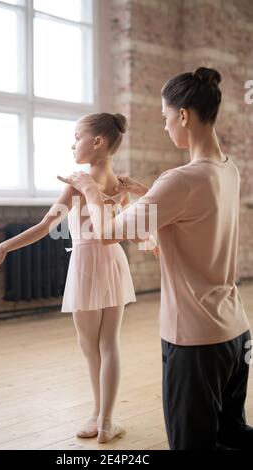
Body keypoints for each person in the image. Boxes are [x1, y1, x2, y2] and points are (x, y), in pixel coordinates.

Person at [58, 67, 253, 450]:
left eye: (166, 118)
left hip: (194, 340)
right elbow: (183, 220)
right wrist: (146, 192)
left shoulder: (179, 179)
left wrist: (88, 190)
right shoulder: (229, 171)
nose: (165, 127)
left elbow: (109, 231)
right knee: (233, 435)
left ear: (183, 115)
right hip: (235, 333)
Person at [0, 112, 156, 444]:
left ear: (98, 142)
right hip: (114, 261)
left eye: (77, 136)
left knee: (90, 346)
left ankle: (101, 416)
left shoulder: (80, 185)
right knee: (109, 343)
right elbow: (138, 219)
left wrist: (4, 246)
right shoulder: (119, 185)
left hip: (88, 262)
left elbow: (45, 228)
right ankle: (104, 419)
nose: (72, 143)